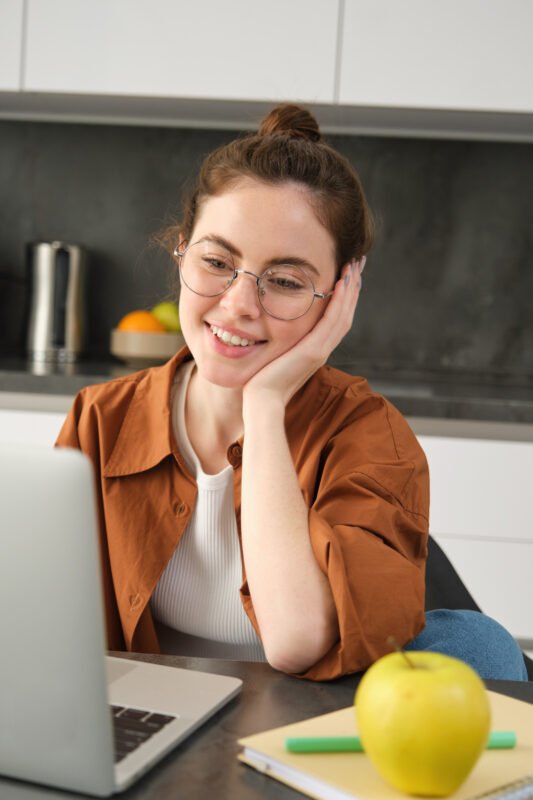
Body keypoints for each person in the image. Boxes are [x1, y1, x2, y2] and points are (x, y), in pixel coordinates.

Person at [56, 104, 527, 682]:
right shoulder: (101, 419)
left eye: (284, 281)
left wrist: (264, 404)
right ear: (181, 250)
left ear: (340, 293)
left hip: (309, 719)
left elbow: (296, 640)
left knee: (478, 645)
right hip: (154, 714)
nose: (238, 305)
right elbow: (44, 619)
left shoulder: (372, 436)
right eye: (216, 261)